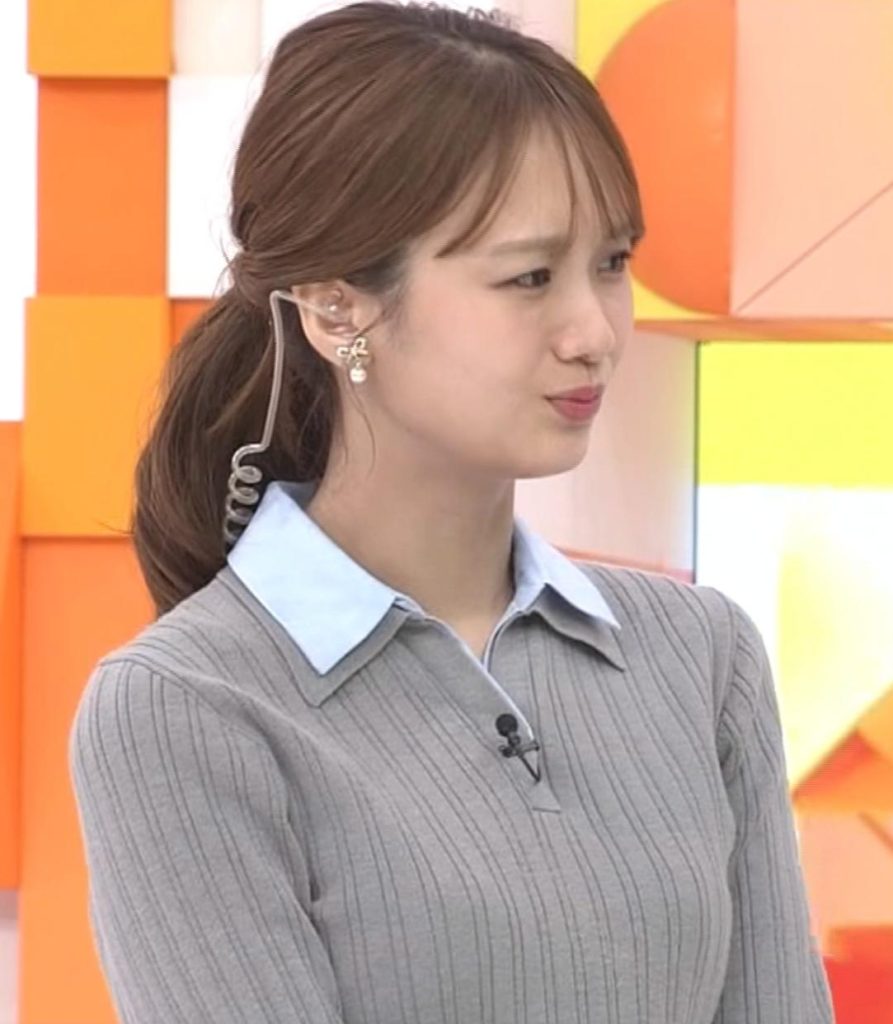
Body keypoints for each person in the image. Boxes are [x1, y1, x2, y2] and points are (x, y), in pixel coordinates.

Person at [68, 3, 836, 1022]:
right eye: (528, 277)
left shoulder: (700, 654)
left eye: (610, 264)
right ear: (336, 307)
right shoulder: (185, 709)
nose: (593, 331)